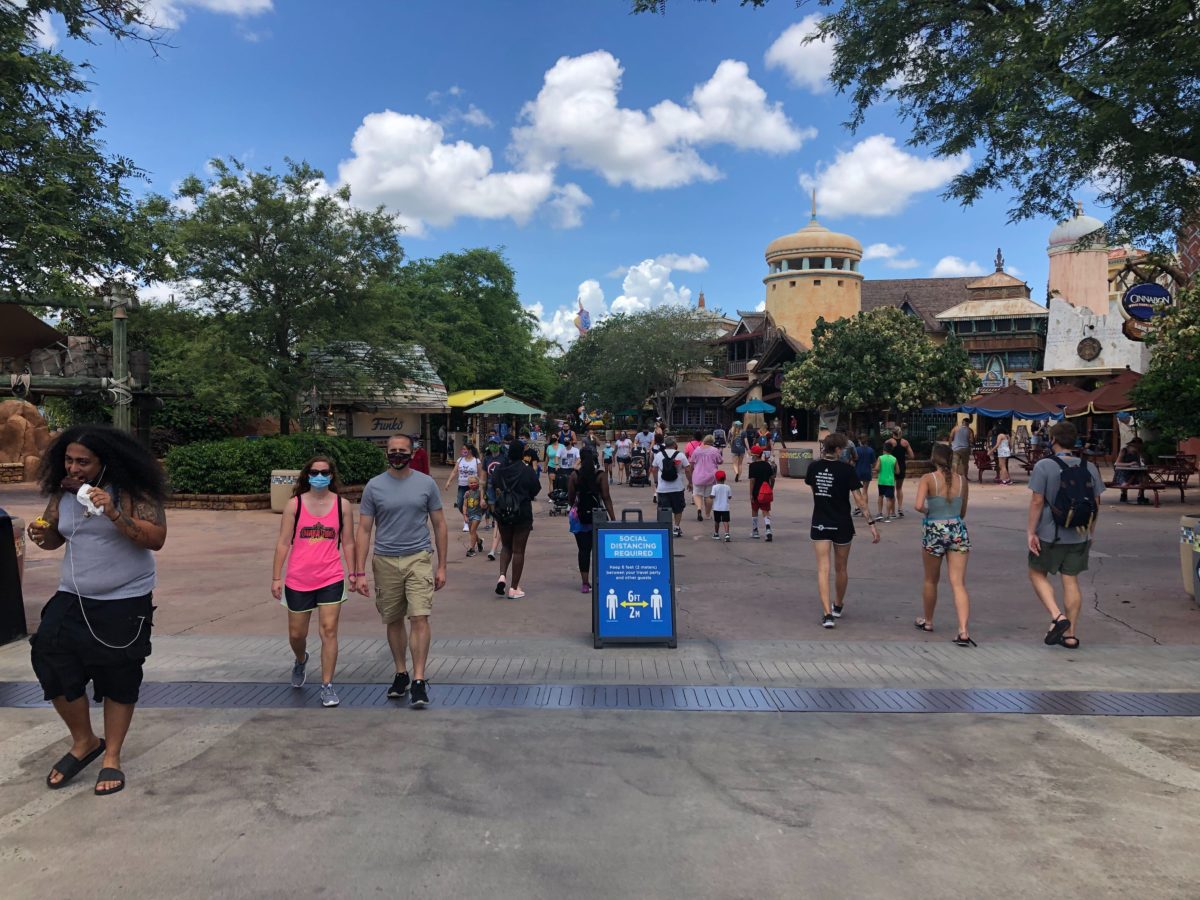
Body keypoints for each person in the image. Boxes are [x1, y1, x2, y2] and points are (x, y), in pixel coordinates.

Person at [27, 425, 168, 795]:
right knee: (49, 658)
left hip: (125, 599)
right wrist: (43, 535)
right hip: (72, 595)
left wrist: (114, 512)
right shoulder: (64, 491)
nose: (74, 469)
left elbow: (156, 538)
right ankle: (85, 741)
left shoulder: (134, 490)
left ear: (106, 462)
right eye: (69, 460)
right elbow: (56, 532)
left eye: (83, 463)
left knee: (119, 674)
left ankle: (112, 757)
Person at [354, 434, 447, 708]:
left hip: (418, 557)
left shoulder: (426, 484)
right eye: (393, 451)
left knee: (420, 616)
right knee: (393, 618)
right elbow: (364, 529)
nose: (397, 455)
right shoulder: (374, 486)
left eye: (402, 451)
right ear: (386, 453)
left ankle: (419, 678)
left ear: (412, 452)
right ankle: (401, 672)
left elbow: (439, 524)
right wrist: (358, 571)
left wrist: (441, 565)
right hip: (385, 559)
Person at [272, 455, 356, 707]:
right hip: (298, 578)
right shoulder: (294, 505)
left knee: (329, 631)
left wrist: (353, 572)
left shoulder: (342, 506)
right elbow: (283, 542)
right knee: (297, 634)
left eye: (325, 472)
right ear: (307, 475)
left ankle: (327, 685)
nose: (320, 476)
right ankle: (301, 659)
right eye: (315, 471)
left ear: (332, 475)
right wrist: (277, 577)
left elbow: (349, 541)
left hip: (330, 576)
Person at [1027, 421, 1104, 650]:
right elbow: (1096, 503)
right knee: (1070, 580)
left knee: (1036, 573)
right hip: (1079, 533)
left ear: (1053, 440)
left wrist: (1031, 531)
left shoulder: (1044, 466)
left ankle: (1057, 616)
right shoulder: (1089, 467)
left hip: (1051, 533)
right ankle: (1070, 635)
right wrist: (1091, 531)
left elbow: (1037, 501)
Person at [805, 433, 878, 627]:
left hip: (820, 520)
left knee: (823, 567)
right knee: (841, 568)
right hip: (842, 522)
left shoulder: (814, 467)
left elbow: (815, 490)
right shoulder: (847, 471)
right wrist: (870, 523)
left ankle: (827, 614)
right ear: (837, 450)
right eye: (843, 448)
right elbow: (859, 500)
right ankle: (837, 605)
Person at [913, 443, 974, 645]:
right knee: (958, 583)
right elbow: (962, 512)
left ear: (933, 458)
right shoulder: (963, 481)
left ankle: (928, 621)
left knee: (931, 579)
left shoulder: (928, 479)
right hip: (957, 529)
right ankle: (963, 631)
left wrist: (929, 512)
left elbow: (919, 505)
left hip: (934, 529)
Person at [492, 440, 542, 599]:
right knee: (518, 550)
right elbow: (535, 489)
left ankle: (501, 576)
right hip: (522, 513)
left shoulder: (499, 469)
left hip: (503, 512)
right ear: (522, 453)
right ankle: (514, 588)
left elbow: (494, 486)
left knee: (506, 546)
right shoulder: (526, 470)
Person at [567, 445, 616, 593]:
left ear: (580, 459)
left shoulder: (574, 475)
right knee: (599, 550)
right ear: (594, 457)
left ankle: (584, 584)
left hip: (579, 516)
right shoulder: (600, 475)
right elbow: (606, 498)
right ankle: (600, 579)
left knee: (583, 550)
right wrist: (613, 518)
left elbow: (570, 498)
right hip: (598, 515)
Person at [652, 436, 691, 538]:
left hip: (662, 488)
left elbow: (654, 469)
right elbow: (687, 469)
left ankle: (664, 528)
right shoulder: (680, 455)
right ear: (675, 444)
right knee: (678, 508)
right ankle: (676, 527)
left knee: (664, 509)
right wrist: (690, 482)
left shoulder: (659, 455)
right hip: (677, 487)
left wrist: (656, 481)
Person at [444, 443, 482, 534]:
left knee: (471, 504)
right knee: (460, 503)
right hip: (462, 485)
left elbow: (481, 474)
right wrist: (449, 481)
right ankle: (467, 517)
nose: (463, 451)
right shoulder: (460, 460)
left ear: (470, 450)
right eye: (462, 449)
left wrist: (481, 486)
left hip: (473, 486)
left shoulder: (476, 461)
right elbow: (454, 471)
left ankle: (467, 522)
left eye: (464, 449)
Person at [689, 435, 723, 522]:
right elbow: (720, 461)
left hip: (698, 474)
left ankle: (699, 509)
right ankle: (707, 514)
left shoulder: (697, 450)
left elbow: (692, 462)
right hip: (711, 475)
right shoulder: (715, 450)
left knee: (697, 494)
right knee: (708, 496)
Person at [747, 444, 775, 541]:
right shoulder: (767, 465)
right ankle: (768, 530)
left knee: (754, 510)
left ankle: (755, 531)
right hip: (765, 492)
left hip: (756, 492)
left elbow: (752, 481)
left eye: (752, 455)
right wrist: (771, 488)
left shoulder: (752, 466)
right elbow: (772, 478)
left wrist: (750, 493)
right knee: (766, 511)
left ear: (755, 455)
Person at [884, 427, 913, 516]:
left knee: (891, 488)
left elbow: (884, 456)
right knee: (899, 488)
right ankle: (900, 508)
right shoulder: (905, 442)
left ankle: (892, 512)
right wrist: (903, 456)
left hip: (891, 467)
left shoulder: (888, 442)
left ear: (892, 433)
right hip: (901, 466)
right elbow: (912, 456)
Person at [1113, 437, 1150, 504]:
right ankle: (1123, 494)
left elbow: (1139, 463)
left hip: (1134, 471)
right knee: (1125, 482)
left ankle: (1140, 495)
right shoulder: (1124, 451)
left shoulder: (1137, 452)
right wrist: (1129, 464)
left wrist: (1141, 461)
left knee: (1144, 476)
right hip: (1123, 471)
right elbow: (1117, 464)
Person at [874, 443, 898, 522]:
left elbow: (877, 468)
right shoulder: (894, 459)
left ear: (884, 450)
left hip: (881, 480)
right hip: (890, 481)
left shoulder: (880, 458)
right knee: (889, 499)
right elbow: (898, 471)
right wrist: (892, 470)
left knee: (880, 496)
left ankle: (880, 513)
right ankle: (887, 516)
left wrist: (878, 469)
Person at [853, 436, 876, 516]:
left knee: (857, 491)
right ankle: (865, 510)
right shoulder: (871, 450)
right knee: (865, 491)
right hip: (867, 471)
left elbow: (853, 461)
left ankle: (858, 508)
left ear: (859, 441)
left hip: (857, 471)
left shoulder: (856, 449)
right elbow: (873, 463)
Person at [463, 475, 485, 556]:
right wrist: (465, 516)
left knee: (472, 531)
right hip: (469, 515)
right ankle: (479, 541)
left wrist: (483, 502)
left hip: (477, 515)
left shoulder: (480, 492)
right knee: (472, 532)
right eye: (471, 483)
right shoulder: (467, 493)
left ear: (478, 483)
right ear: (468, 484)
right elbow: (464, 505)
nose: (473, 484)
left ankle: (471, 549)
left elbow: (483, 502)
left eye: (475, 482)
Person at [711, 469, 733, 541]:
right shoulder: (727, 487)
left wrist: (711, 497)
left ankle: (716, 534)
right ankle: (727, 533)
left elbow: (713, 496)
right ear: (725, 478)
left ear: (716, 478)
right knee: (725, 521)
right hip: (725, 507)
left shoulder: (715, 487)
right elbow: (729, 497)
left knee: (717, 521)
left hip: (717, 507)